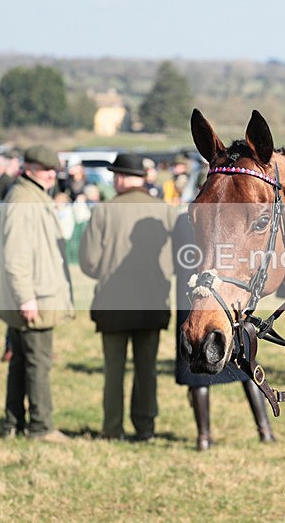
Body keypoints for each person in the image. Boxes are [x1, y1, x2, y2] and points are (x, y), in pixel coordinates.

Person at [79, 153, 176, 441]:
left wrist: (107, 273)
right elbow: (172, 262)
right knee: (147, 371)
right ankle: (145, 427)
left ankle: (112, 428)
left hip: (113, 302)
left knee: (114, 371)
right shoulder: (165, 211)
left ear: (120, 177)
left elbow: (88, 261)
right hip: (153, 301)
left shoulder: (103, 212)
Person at [173, 211, 275, 451]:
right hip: (225, 302)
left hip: (194, 301)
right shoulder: (230, 220)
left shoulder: (183, 222)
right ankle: (265, 430)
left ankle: (204, 438)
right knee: (245, 365)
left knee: (199, 373)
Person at [0, 145, 74, 442]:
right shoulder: (23, 199)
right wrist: (25, 297)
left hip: (32, 294)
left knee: (20, 362)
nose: (51, 175)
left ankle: (13, 423)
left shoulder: (31, 195)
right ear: (29, 168)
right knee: (37, 363)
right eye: (46, 169)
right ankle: (41, 427)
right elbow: (16, 255)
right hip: (33, 298)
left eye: (54, 170)